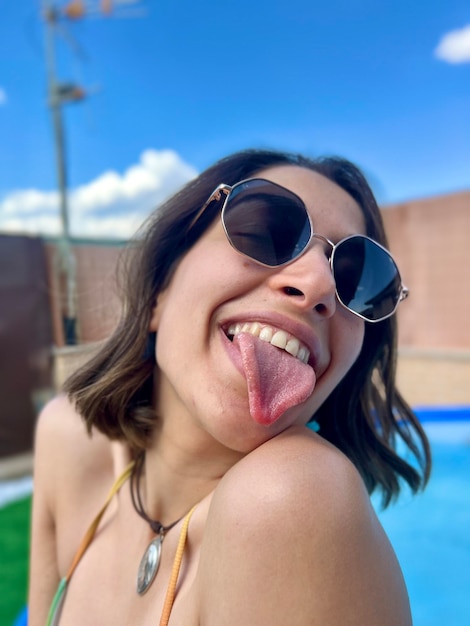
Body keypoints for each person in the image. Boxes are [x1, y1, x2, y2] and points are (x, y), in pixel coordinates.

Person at [29, 149, 431, 625]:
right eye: (266, 230)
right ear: (159, 289)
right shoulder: (68, 436)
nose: (319, 284)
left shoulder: (292, 498)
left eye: (359, 279)